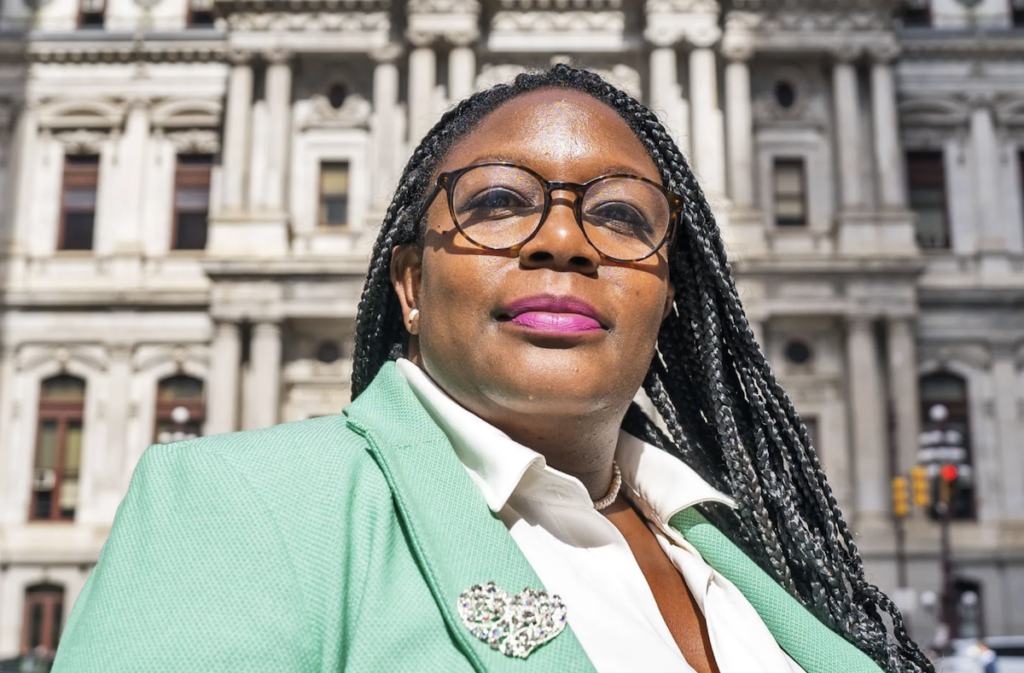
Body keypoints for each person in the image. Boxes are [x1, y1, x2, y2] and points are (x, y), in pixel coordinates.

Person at [52, 65, 932, 673]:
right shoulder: (246, 510)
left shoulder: (756, 555)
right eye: (499, 203)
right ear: (411, 285)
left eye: (621, 216)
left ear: (672, 298)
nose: (562, 240)